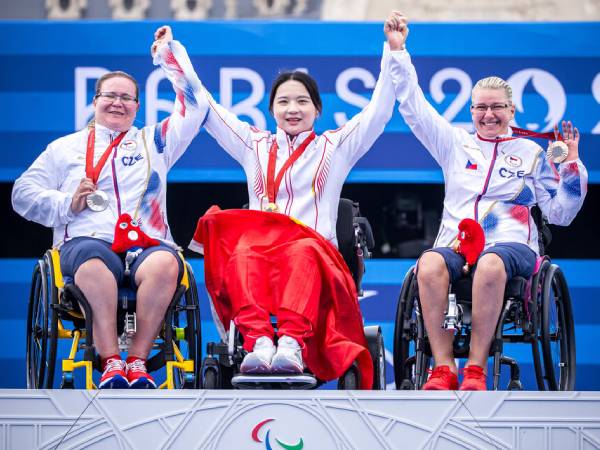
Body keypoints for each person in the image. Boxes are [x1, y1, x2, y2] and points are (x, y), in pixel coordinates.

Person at [188, 12, 407, 388]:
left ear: (317, 110)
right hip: (259, 254)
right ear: (272, 108)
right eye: (284, 101)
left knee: (300, 249)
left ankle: (290, 343)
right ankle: (257, 342)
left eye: (302, 101)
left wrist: (394, 52)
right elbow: (206, 107)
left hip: (315, 254)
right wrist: (171, 55)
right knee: (241, 250)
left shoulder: (334, 147)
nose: (293, 109)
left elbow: (379, 111)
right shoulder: (252, 144)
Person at [389, 13, 587, 390]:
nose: (488, 114)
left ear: (512, 111)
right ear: (472, 112)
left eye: (497, 107)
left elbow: (560, 213)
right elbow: (414, 107)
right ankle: (444, 367)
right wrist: (399, 52)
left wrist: (572, 167)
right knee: (428, 263)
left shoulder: (532, 152)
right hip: (456, 245)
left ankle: (476, 369)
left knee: (493, 264)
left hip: (512, 247)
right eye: (480, 107)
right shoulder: (454, 144)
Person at [12, 26, 203, 389]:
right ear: (95, 100)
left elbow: (195, 103)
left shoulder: (156, 141)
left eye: (127, 98)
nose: (118, 103)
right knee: (96, 265)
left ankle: (137, 363)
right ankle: (111, 360)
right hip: (87, 242)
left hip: (146, 244)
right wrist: (66, 203)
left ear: (137, 106)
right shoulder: (65, 148)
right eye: (109, 95)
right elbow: (21, 193)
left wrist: (168, 53)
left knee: (167, 263)